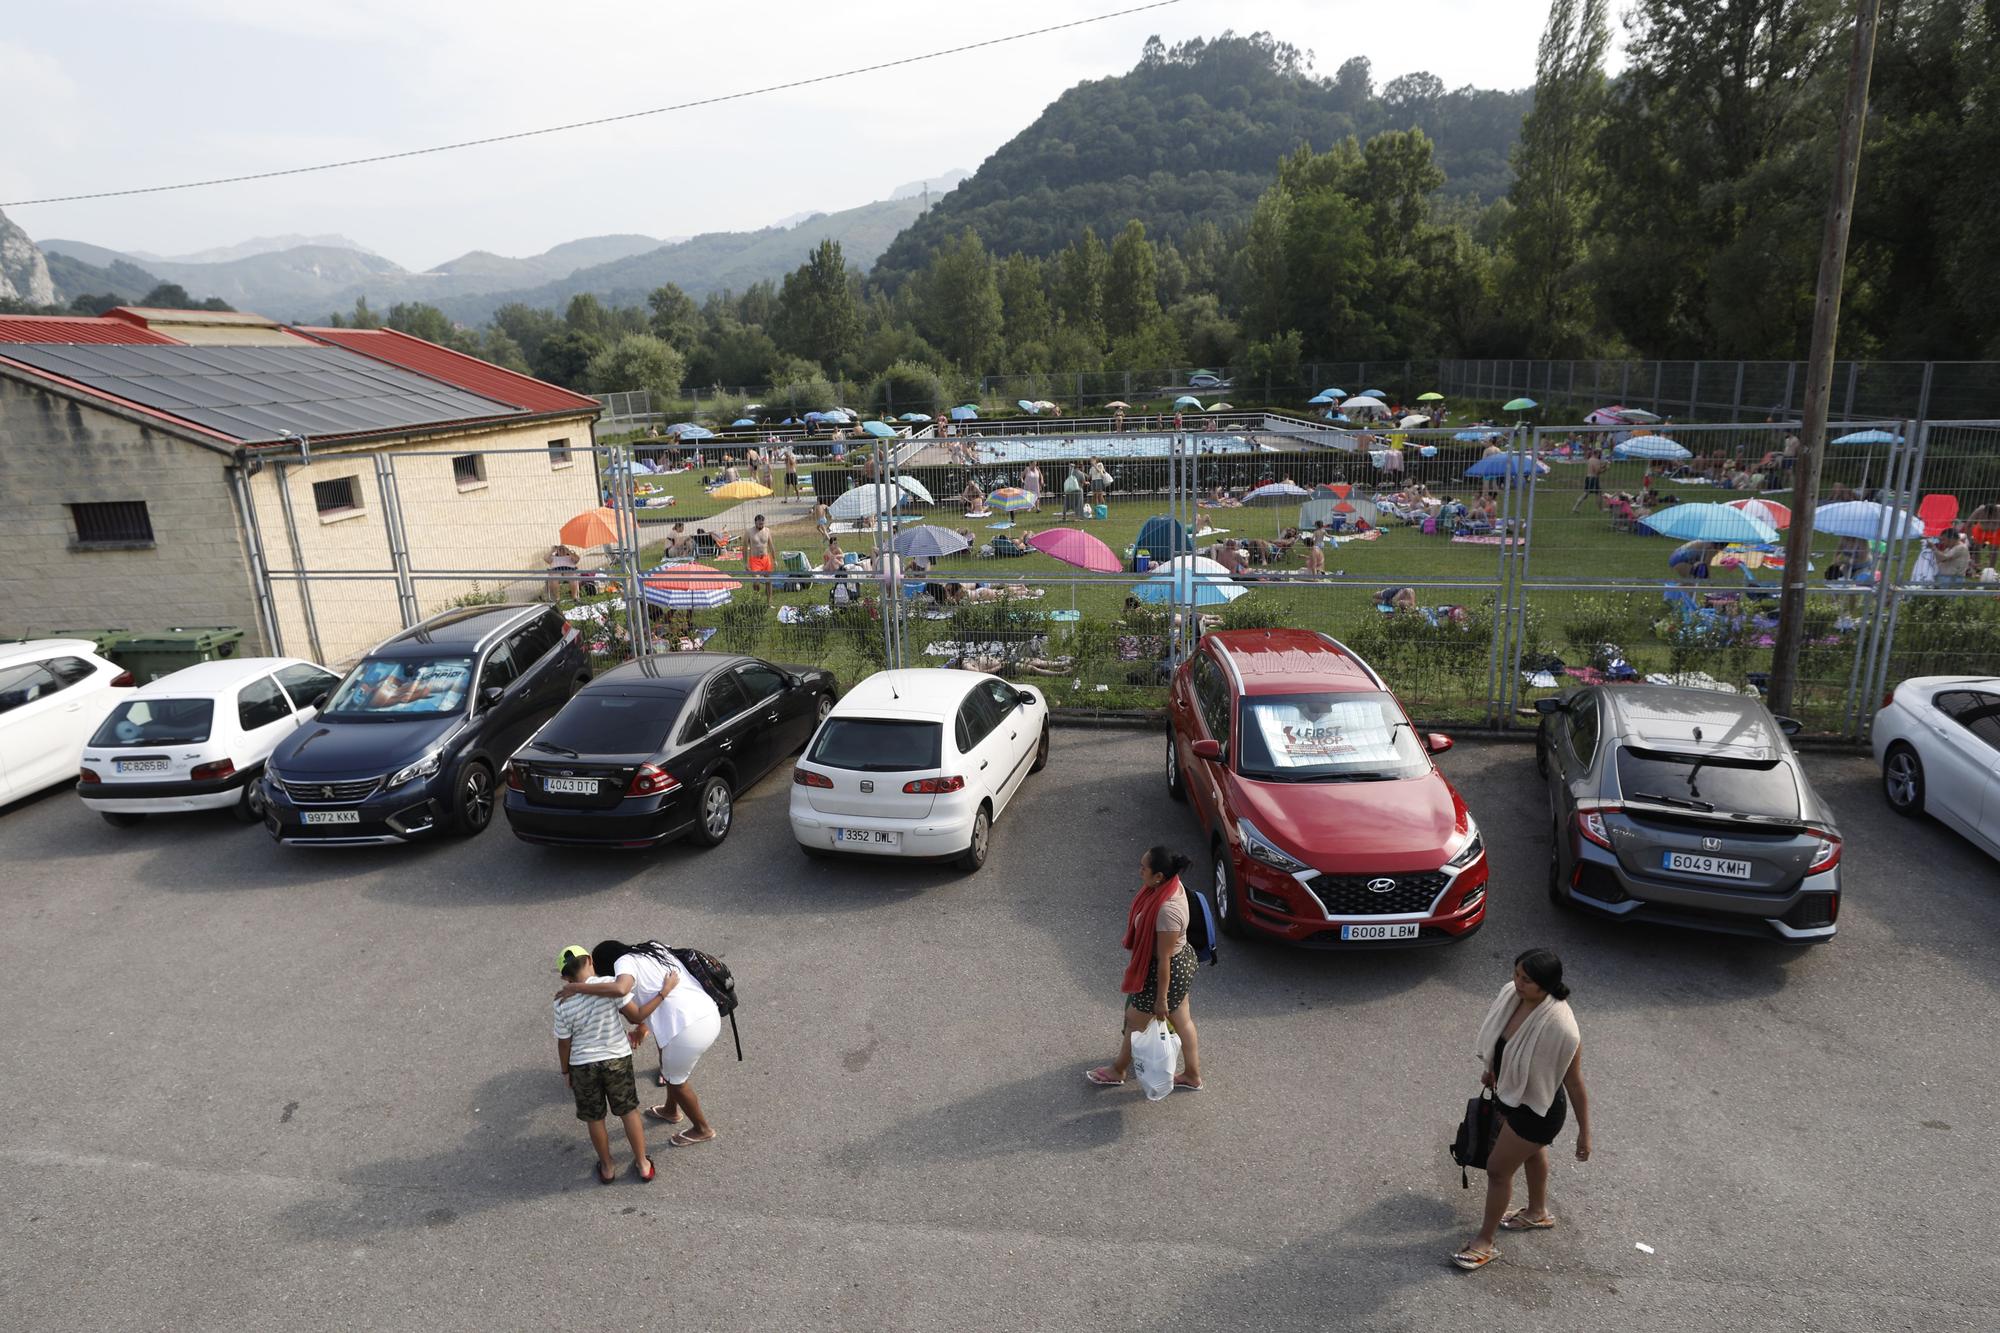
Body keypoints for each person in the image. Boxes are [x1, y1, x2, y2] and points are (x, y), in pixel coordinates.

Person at [1452, 950, 1591, 1272]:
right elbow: (1507, 1048)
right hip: (1511, 1097)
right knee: (1531, 1154)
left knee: (1499, 1170)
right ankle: (1537, 1212)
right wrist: (1495, 1070)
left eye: (1526, 980)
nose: (1516, 983)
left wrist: (1585, 1133)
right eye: (1516, 974)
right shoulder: (1512, 997)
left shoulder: (1562, 1028)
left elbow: (1574, 1082)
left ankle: (1485, 1242)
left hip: (1538, 1111)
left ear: (1547, 986)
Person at [561, 940, 724, 1147]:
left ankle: (702, 1129)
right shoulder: (653, 948)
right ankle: (671, 1110)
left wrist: (577, 987)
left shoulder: (623, 963)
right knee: (667, 1062)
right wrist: (642, 1028)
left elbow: (621, 989)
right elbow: (646, 1001)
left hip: (687, 1030)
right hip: (707, 1012)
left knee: (677, 1081)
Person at [1086, 846, 1203, 1092]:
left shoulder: (1167, 910)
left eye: (1144, 868)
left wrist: (1161, 1000)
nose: (1139, 871)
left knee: (1135, 1021)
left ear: (1158, 876)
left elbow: (1164, 960)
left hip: (1167, 972)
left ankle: (1118, 1069)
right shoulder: (1167, 886)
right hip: (1179, 964)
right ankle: (1192, 1075)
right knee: (1182, 1020)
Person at [552, 944, 653, 1184]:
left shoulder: (561, 1002)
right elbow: (633, 1014)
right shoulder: (609, 985)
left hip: (582, 1065)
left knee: (595, 1119)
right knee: (628, 1112)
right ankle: (642, 1163)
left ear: (565, 976)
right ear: (590, 960)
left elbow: (564, 1043)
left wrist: (566, 1071)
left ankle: (607, 1167)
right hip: (616, 1057)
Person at [745, 514, 775, 600]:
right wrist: (745, 563)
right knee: (756, 582)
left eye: (762, 524)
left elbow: (771, 545)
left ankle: (769, 602)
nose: (761, 526)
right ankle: (756, 598)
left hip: (766, 559)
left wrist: (774, 559)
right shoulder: (749, 532)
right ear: (755, 523)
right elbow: (744, 548)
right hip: (755, 560)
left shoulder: (767, 530)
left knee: (769, 581)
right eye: (759, 524)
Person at [1571, 449, 1608, 514]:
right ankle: (1601, 509)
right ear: (1598, 454)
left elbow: (1594, 468)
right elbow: (1597, 471)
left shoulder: (1590, 459)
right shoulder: (1596, 461)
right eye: (1600, 454)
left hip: (1588, 478)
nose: (1601, 455)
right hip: (1593, 479)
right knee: (1598, 493)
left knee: (1585, 494)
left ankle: (1575, 507)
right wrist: (1605, 469)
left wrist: (1603, 466)